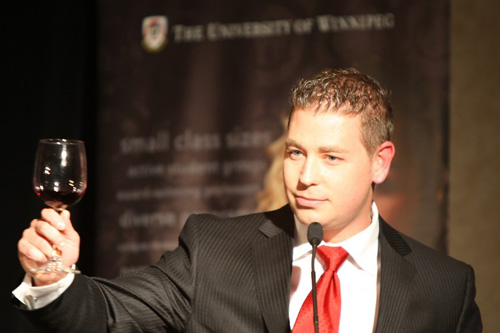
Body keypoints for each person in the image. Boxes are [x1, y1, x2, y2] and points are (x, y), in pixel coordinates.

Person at [13, 68, 482, 332]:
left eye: (331, 158)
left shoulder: (445, 287)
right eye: (296, 152)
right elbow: (109, 316)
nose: (305, 177)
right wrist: (53, 276)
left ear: (380, 163)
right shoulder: (214, 250)